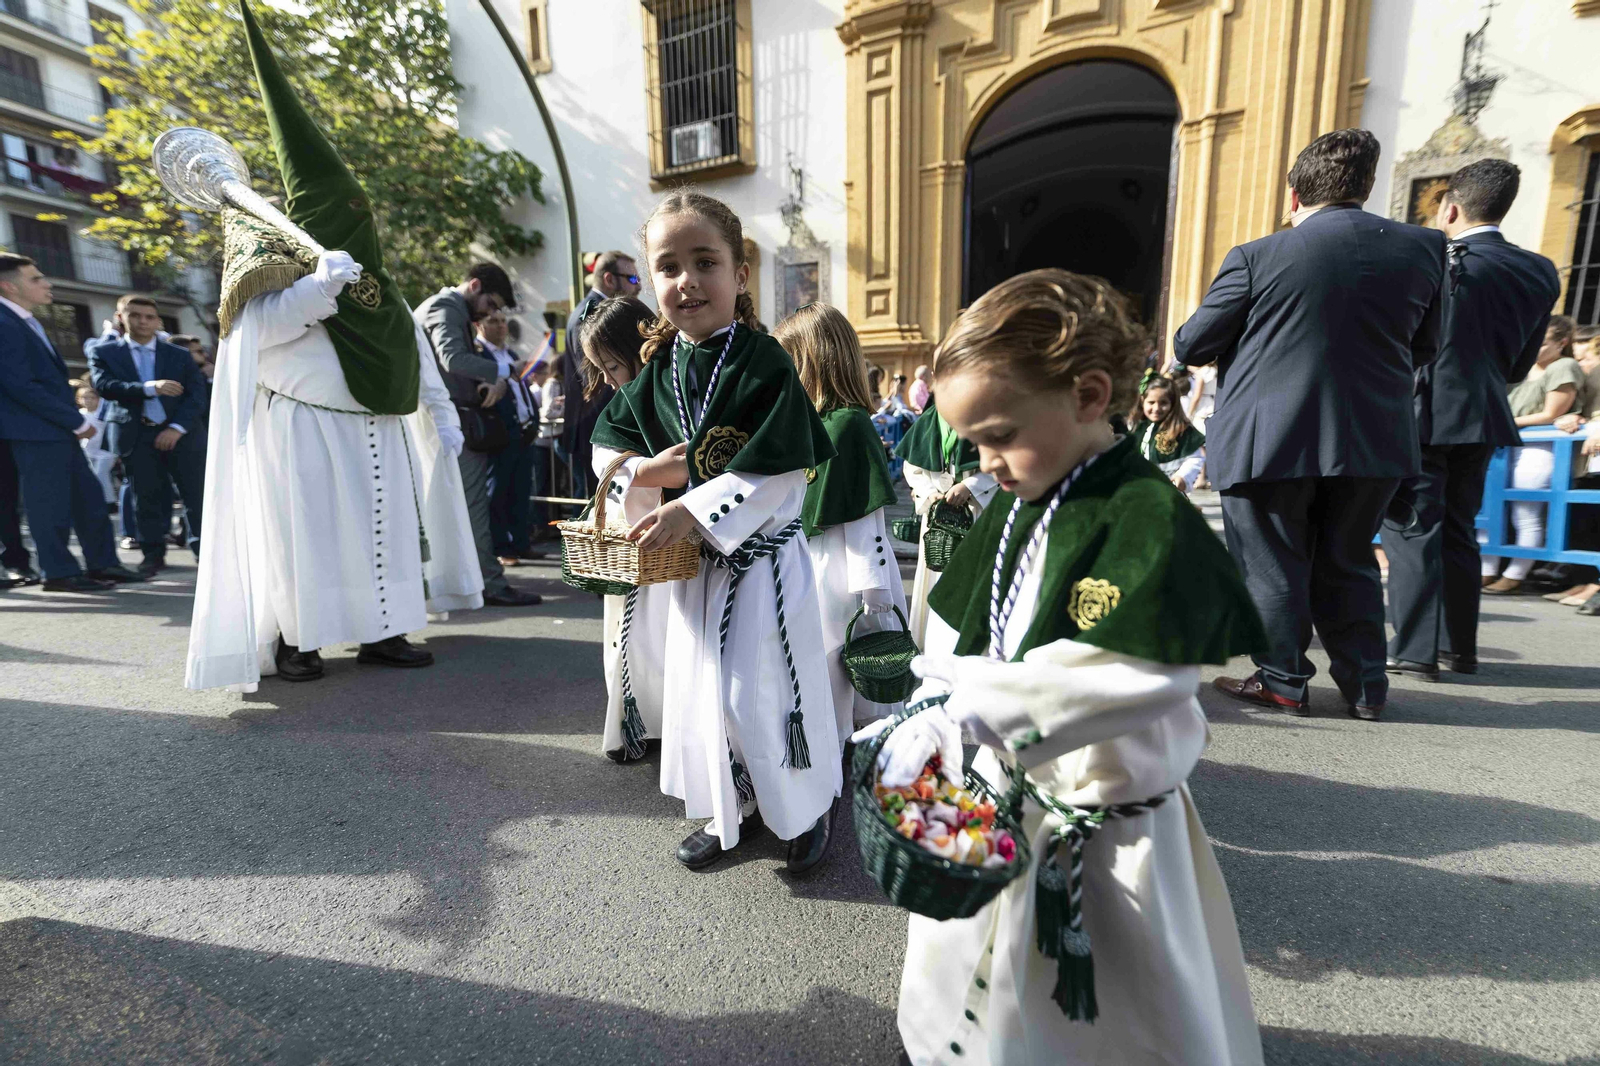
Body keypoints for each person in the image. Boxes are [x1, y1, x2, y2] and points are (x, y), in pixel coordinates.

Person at [855, 269, 1265, 1066]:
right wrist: (931, 712)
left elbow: (1144, 673)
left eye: (999, 434)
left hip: (1107, 825)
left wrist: (978, 705)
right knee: (975, 972)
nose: (987, 462)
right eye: (975, 443)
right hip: (1006, 791)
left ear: (1088, 394)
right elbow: (962, 627)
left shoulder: (1145, 513)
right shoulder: (1019, 496)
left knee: (1113, 1006)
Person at [187, 1, 481, 689]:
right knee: (309, 542)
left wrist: (441, 414)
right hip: (303, 431)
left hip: (377, 427)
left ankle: (383, 632)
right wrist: (317, 289)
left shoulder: (379, 284)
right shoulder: (276, 271)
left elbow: (410, 351)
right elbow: (259, 331)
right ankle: (298, 640)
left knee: (384, 537)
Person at [590, 190, 841, 875]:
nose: (687, 281)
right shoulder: (657, 372)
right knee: (705, 694)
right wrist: (648, 472)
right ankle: (732, 806)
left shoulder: (764, 362)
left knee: (761, 693)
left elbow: (781, 470)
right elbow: (607, 446)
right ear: (651, 280)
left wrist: (694, 510)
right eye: (668, 267)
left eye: (705, 262)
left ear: (740, 273)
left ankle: (805, 807)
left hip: (761, 566)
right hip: (693, 574)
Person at [1174, 128, 1445, 721]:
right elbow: (1427, 346)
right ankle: (1367, 687)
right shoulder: (1425, 248)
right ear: (1366, 187)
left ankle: (1282, 681)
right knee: (1350, 560)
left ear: (1294, 195)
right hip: (1373, 436)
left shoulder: (1257, 255)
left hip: (1269, 436)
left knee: (1270, 562)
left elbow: (1192, 343)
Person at [1381, 159, 1560, 677]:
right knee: (1460, 528)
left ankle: (1414, 650)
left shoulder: (1438, 256)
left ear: (1451, 209)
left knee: (1413, 525)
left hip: (1425, 408)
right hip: (1484, 410)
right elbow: (1521, 364)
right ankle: (1457, 647)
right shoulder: (1539, 269)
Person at [772, 302, 907, 744]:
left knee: (837, 657)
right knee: (814, 656)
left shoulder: (849, 423)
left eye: (790, 360)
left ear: (814, 359)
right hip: (810, 556)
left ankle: (839, 745)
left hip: (843, 565)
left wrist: (874, 590)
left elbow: (866, 514)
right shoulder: (812, 421)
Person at [0, 253, 140, 592]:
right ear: (8, 286)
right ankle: (59, 573)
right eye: (35, 278)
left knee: (87, 498)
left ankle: (102, 564)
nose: (46, 283)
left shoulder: (23, 320)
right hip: (35, 431)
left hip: (54, 428)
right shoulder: (4, 322)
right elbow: (20, 385)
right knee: (49, 505)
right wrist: (75, 421)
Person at [580, 296, 675, 763]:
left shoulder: (676, 388)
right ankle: (637, 724)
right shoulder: (621, 407)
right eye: (601, 370)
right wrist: (650, 469)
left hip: (682, 544)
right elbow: (606, 460)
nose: (608, 380)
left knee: (673, 638)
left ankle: (675, 724)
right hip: (637, 541)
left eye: (613, 366)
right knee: (635, 638)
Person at [415, 263, 543, 607]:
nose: (489, 314)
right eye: (491, 305)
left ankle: (467, 582)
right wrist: (505, 370)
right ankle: (490, 583)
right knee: (473, 507)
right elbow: (453, 358)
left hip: (444, 420)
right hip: (449, 422)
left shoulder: (445, 308)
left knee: (453, 507)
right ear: (474, 286)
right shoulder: (446, 307)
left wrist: (490, 380)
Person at [88, 294, 208, 576]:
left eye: (149, 317)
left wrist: (176, 429)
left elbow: (197, 395)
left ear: (158, 321)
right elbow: (104, 386)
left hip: (181, 434)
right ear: (120, 318)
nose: (143, 321)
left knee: (196, 495)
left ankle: (204, 552)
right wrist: (149, 388)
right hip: (136, 434)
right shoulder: (104, 352)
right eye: (135, 315)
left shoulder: (179, 355)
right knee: (146, 497)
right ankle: (152, 554)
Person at [1477, 316, 1583, 594]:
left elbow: (1551, 413)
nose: (1534, 348)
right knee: (1491, 509)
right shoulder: (1521, 366)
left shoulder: (1563, 366)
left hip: (1538, 446)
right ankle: (1486, 570)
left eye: (1542, 343)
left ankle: (1515, 574)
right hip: (1506, 444)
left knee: (1526, 513)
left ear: (1562, 343)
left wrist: (1504, 422)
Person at [895, 401, 1000, 645]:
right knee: (935, 571)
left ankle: (964, 642)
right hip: (937, 513)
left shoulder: (983, 414)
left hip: (974, 510)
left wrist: (970, 486)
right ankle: (932, 643)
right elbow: (912, 467)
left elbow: (1001, 460)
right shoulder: (931, 418)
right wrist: (929, 492)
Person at [564, 250, 642, 501]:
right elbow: (597, 382)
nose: (638, 286)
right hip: (596, 428)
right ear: (609, 279)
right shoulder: (590, 315)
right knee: (595, 505)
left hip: (605, 428)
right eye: (632, 279)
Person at [476, 309, 541, 568]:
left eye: (503, 321)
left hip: (524, 432)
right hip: (501, 434)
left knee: (521, 492)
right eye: (493, 321)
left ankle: (521, 543)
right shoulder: (479, 354)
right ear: (479, 325)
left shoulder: (511, 354)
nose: (501, 326)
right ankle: (502, 548)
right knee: (499, 493)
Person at [1127, 372, 1206, 494]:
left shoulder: (1182, 430)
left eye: (1163, 403)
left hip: (1169, 490)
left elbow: (1194, 458)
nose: (1156, 408)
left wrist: (1183, 477)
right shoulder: (1137, 427)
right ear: (1142, 401)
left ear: (1173, 404)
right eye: (1151, 402)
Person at [74, 383, 117, 507]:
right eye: (85, 398)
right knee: (91, 477)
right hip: (88, 451)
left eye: (92, 398)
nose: (88, 401)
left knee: (101, 474)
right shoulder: (79, 414)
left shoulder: (104, 413)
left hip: (106, 452)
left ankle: (110, 503)